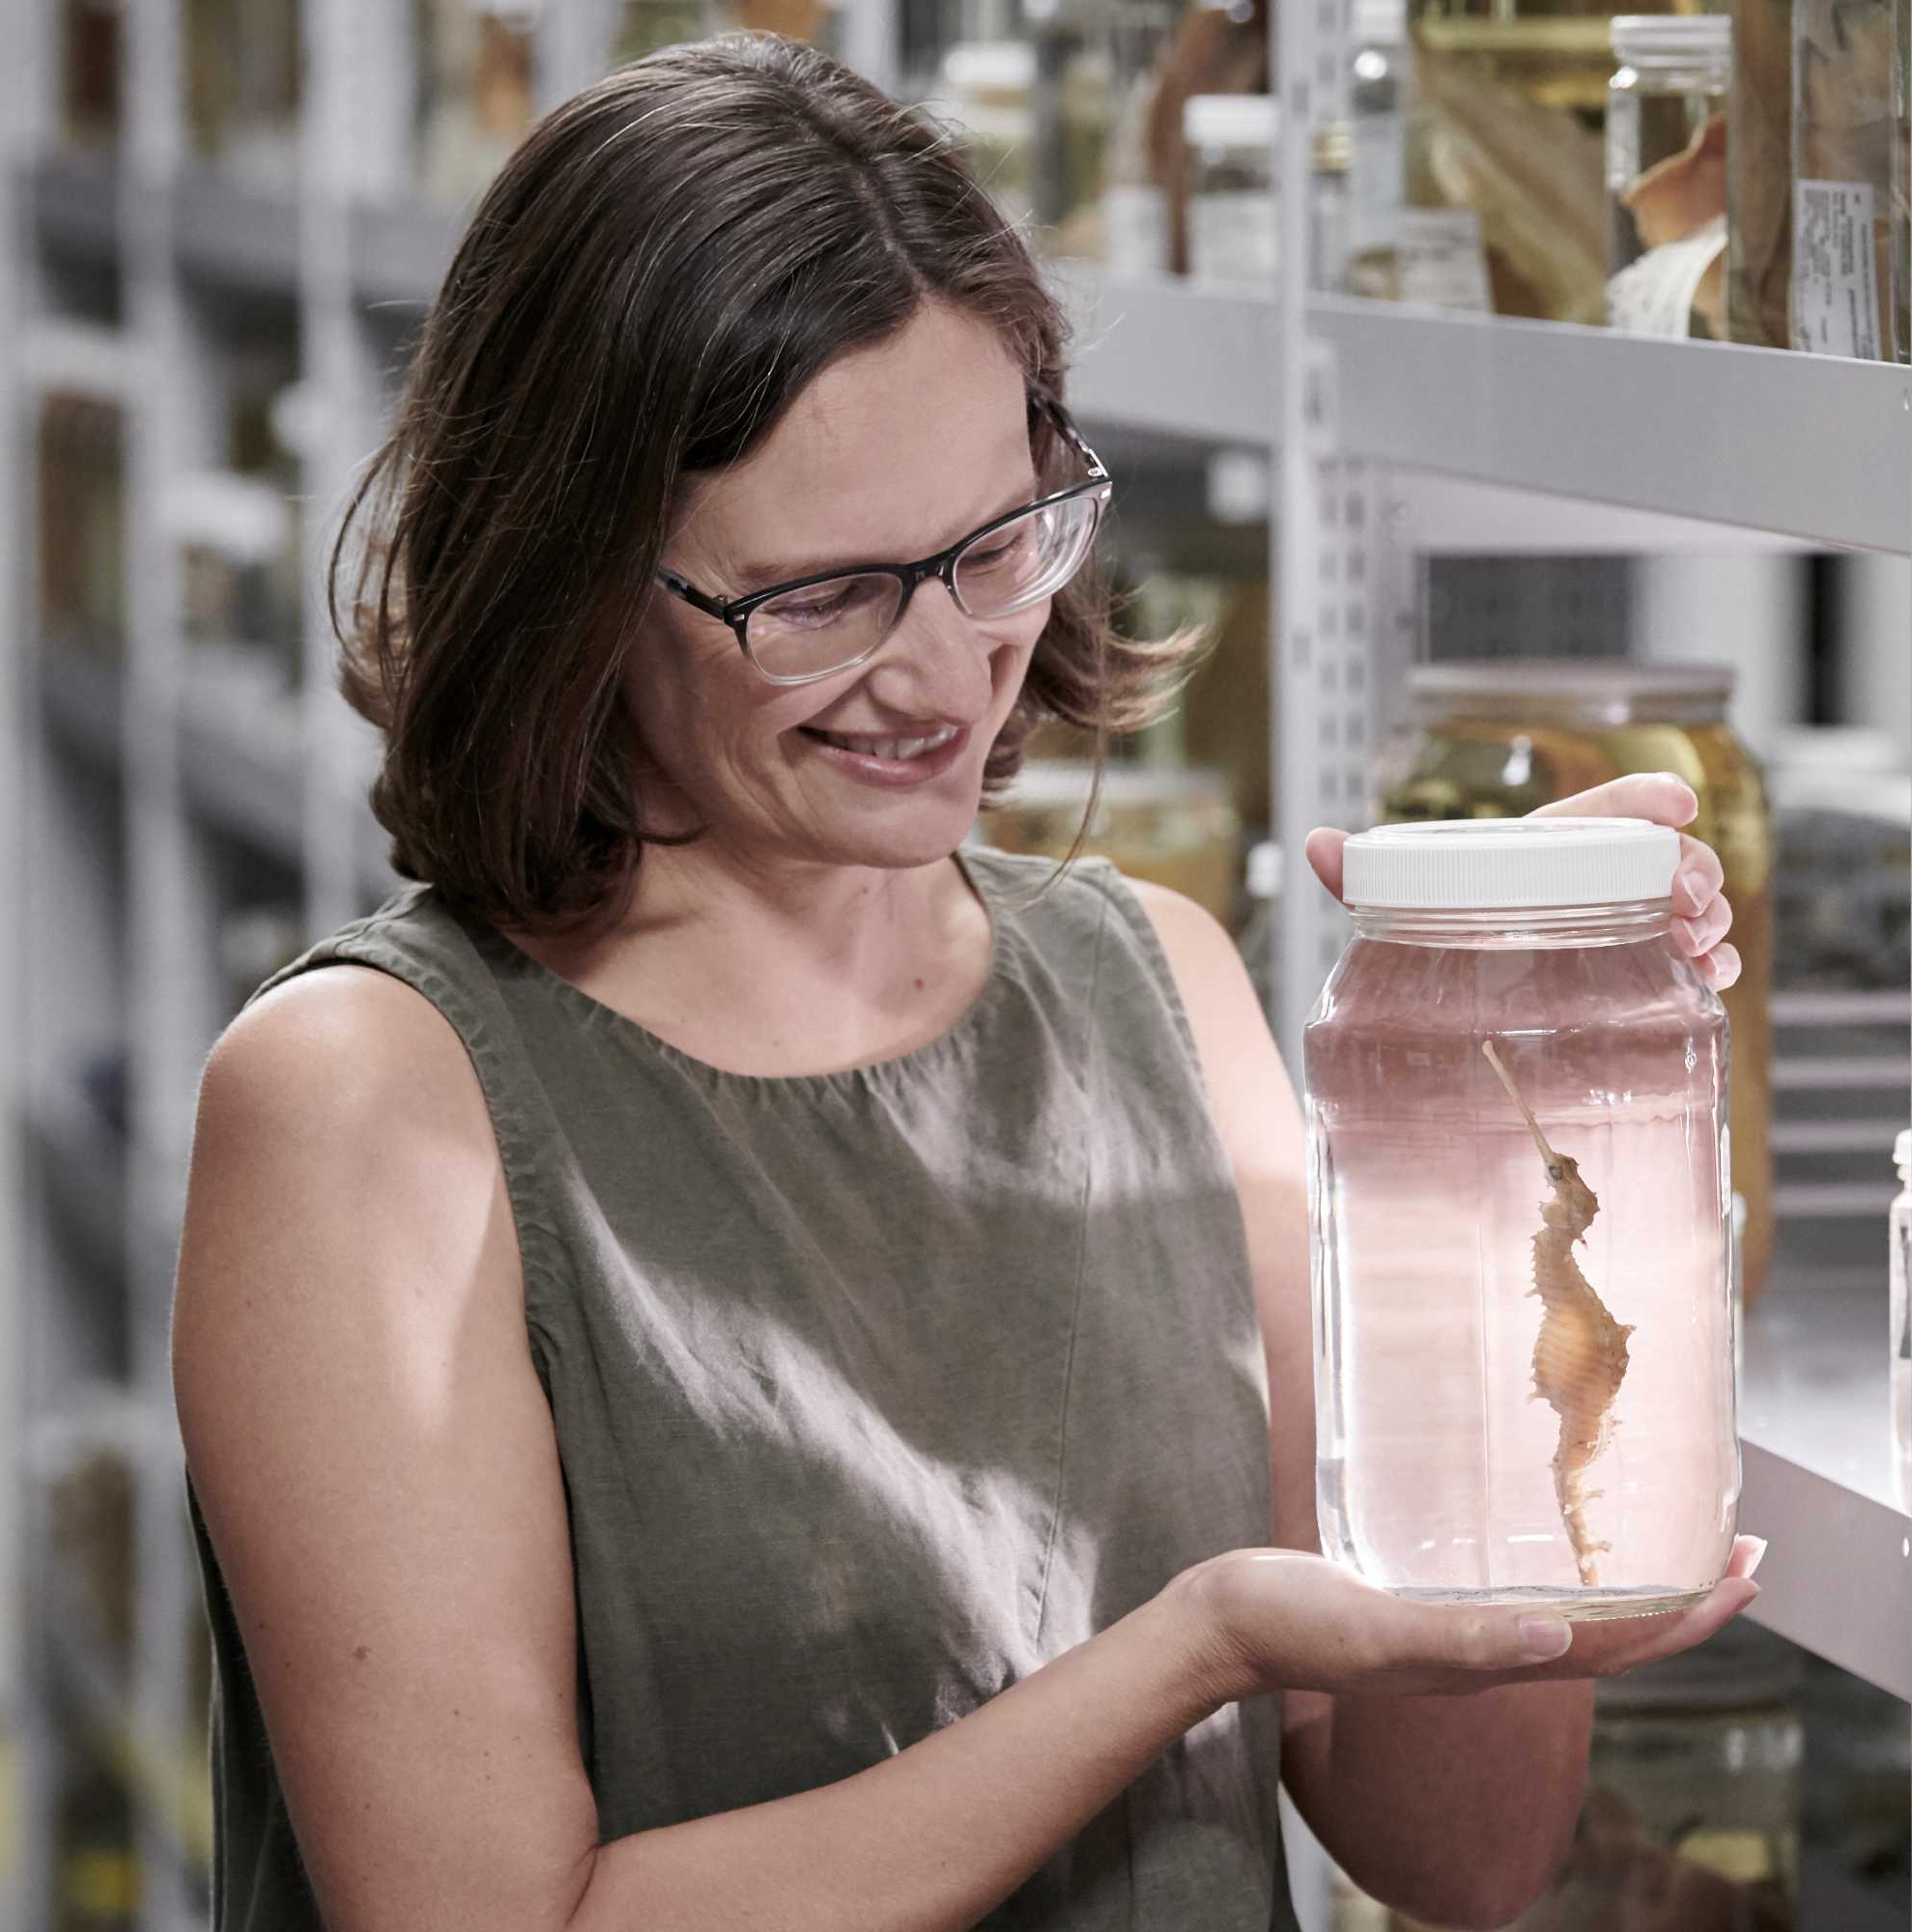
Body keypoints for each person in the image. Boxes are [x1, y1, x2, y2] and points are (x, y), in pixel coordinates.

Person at [171, 35, 1758, 1932]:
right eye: (822, 597)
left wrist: (1524, 1093)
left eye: (994, 546)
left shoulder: (1161, 988)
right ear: (577, 575)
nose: (943, 674)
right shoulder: (370, 1102)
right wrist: (1186, 1654)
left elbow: (1465, 1855)